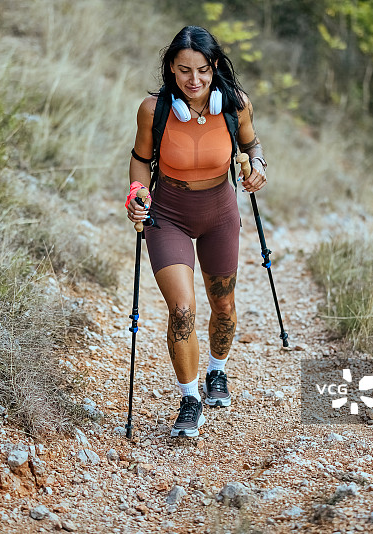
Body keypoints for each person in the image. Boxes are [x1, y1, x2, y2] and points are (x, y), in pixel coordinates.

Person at [125, 26, 268, 438]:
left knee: (222, 305)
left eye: (203, 70)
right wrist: (136, 192)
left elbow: (252, 145)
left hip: (219, 213)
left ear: (214, 66)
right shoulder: (153, 110)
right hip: (168, 214)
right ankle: (190, 399)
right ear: (171, 67)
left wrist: (258, 167)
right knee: (182, 309)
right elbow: (140, 160)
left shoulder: (236, 104)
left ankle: (217, 371)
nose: (194, 79)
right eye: (185, 70)